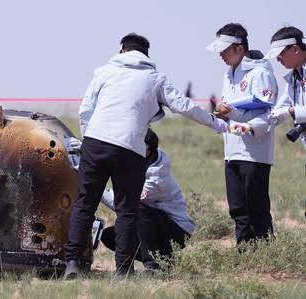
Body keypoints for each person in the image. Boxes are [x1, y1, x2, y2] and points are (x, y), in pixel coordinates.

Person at [63, 33, 228, 279]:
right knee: (128, 210)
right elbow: (184, 106)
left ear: (122, 50)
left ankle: (72, 263)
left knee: (85, 203)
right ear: (146, 55)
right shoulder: (153, 78)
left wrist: (88, 141)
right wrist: (218, 125)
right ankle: (123, 270)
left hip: (96, 143)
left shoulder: (104, 71)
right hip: (129, 148)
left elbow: (86, 109)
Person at [206, 23, 278, 246]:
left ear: (239, 48)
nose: (221, 55)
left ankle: (266, 254)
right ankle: (244, 253)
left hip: (254, 153)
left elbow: (269, 113)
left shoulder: (261, 73)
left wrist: (234, 113)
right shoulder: (228, 75)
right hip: (232, 150)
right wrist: (223, 115)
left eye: (224, 50)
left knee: (256, 207)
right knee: (237, 208)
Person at [99, 129, 195, 272]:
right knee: (109, 236)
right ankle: (165, 259)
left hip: (178, 231)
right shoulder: (141, 161)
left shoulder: (157, 178)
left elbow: (125, 204)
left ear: (149, 150)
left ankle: (153, 266)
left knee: (136, 208)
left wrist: (94, 187)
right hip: (154, 225)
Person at [233, 26, 306, 176]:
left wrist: (292, 111)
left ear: (295, 49)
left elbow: (286, 110)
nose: (278, 60)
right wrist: (249, 126)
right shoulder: (293, 78)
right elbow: (277, 112)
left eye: (280, 54)